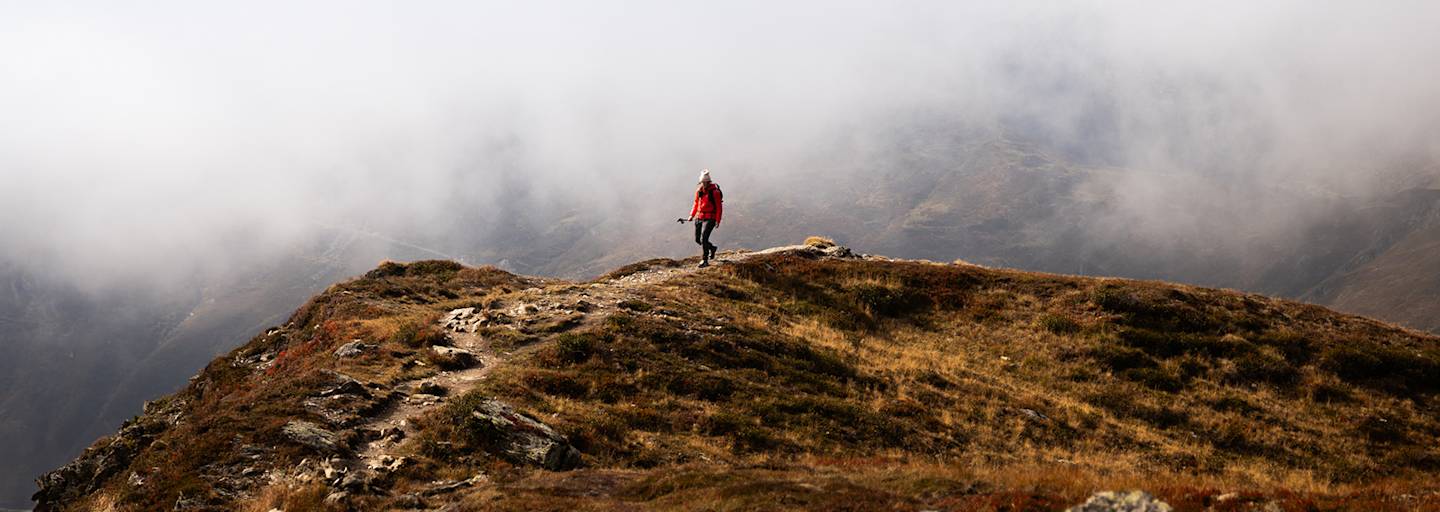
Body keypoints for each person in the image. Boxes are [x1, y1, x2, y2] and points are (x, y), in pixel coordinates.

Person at [688, 168, 723, 267]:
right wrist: (691, 215)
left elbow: (719, 207)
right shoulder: (699, 191)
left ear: (709, 182)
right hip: (699, 216)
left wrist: (717, 220)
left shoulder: (714, 192)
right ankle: (712, 248)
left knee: (704, 238)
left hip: (710, 217)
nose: (704, 184)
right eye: (702, 182)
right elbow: (696, 203)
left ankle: (705, 260)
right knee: (698, 240)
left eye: (706, 182)